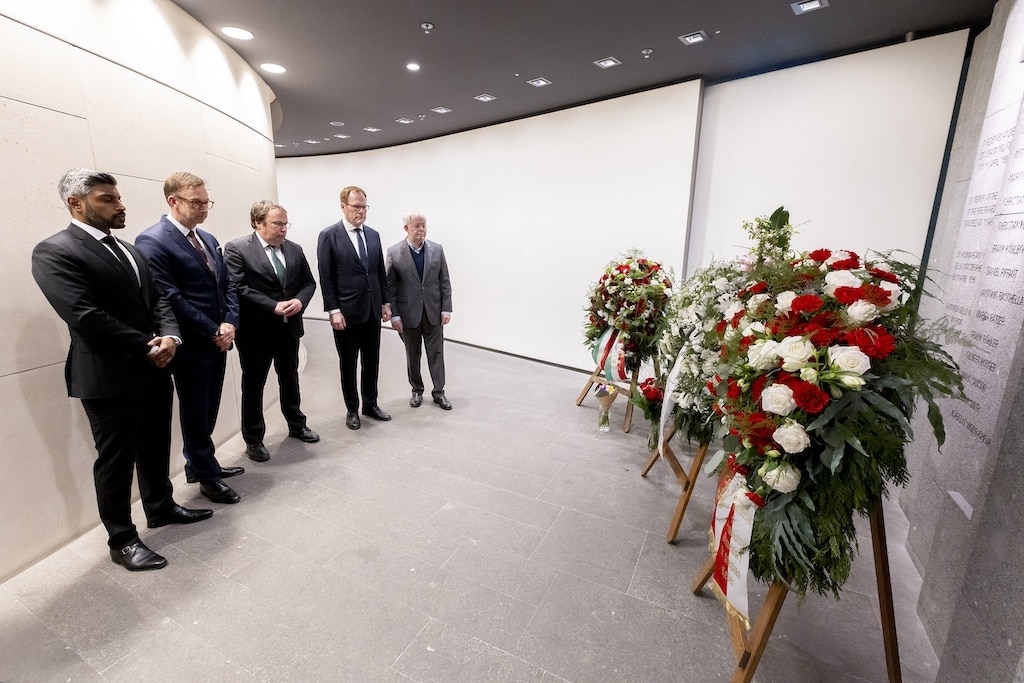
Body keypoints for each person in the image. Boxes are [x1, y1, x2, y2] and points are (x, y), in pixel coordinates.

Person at [31, 169, 213, 572]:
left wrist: (170, 337)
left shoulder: (131, 249)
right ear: (76, 204)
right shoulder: (55, 251)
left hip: (154, 366)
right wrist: (148, 344)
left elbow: (160, 299)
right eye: (106, 199)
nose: (120, 204)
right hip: (108, 375)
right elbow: (85, 316)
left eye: (118, 197)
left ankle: (161, 506)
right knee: (115, 460)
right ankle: (123, 539)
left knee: (154, 444)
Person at [135, 172, 243, 505]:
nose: (204, 208)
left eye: (206, 202)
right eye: (196, 203)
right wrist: (212, 329)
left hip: (219, 338)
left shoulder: (208, 239)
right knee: (196, 410)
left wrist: (229, 323)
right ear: (173, 201)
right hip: (192, 344)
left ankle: (199, 462)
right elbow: (170, 297)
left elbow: (226, 286)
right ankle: (207, 477)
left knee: (209, 406)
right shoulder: (152, 241)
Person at [224, 201, 319, 462]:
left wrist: (300, 301)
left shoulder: (295, 250)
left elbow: (309, 282)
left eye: (286, 223)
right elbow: (238, 287)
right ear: (258, 223)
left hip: (289, 329)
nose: (283, 229)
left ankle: (297, 424)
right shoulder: (237, 249)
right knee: (254, 385)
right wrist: (272, 306)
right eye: (277, 223)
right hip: (256, 332)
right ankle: (253, 439)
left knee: (290, 377)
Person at [317, 185, 392, 430]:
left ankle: (370, 404)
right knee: (348, 363)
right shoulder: (329, 235)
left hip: (371, 309)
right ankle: (352, 408)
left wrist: (385, 302)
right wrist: (333, 310)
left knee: (372, 360)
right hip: (346, 313)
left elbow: (379, 271)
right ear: (343, 206)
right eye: (356, 206)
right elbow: (326, 277)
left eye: (364, 207)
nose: (361, 211)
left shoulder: (373, 235)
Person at [386, 211, 453, 410]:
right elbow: (390, 287)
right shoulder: (394, 252)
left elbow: (445, 281)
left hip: (433, 312)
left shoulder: (437, 250)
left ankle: (439, 391)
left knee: (436, 353)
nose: (421, 229)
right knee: (412, 355)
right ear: (406, 228)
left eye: (424, 225)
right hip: (408, 315)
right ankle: (417, 389)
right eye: (417, 226)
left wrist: (446, 309)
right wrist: (394, 314)